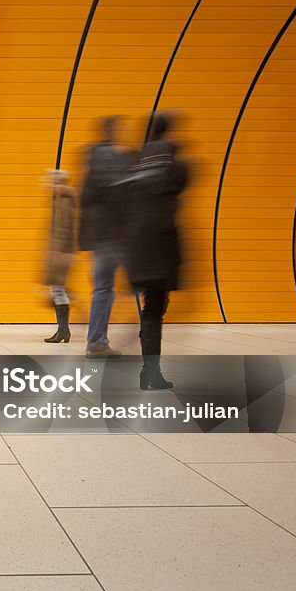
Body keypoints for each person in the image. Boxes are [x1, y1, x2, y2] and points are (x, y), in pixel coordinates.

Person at [122, 111, 188, 390]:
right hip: (161, 244)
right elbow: (178, 193)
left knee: (151, 308)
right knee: (156, 308)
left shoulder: (134, 165)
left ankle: (149, 370)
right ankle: (150, 371)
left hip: (137, 244)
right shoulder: (177, 165)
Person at [79, 115, 134, 359]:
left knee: (102, 288)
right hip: (117, 235)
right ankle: (141, 337)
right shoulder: (120, 159)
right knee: (139, 285)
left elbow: (85, 199)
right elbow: (124, 196)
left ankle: (96, 341)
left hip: (99, 236)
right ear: (115, 130)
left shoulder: (90, 157)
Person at [43, 170, 76, 343]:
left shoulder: (64, 201)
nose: (48, 186)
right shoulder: (63, 199)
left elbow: (62, 229)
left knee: (58, 290)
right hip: (61, 251)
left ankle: (64, 331)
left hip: (61, 252)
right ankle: (63, 330)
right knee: (58, 290)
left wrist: (56, 252)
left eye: (51, 182)